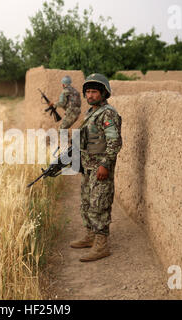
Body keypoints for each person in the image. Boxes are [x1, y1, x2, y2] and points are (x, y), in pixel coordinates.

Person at [71, 73, 122, 262]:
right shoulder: (91, 113)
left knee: (99, 204)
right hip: (88, 166)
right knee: (86, 202)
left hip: (101, 168)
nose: (90, 95)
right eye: (88, 92)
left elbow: (114, 141)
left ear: (103, 93)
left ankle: (102, 245)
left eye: (94, 92)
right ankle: (90, 236)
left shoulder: (108, 113)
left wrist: (105, 164)